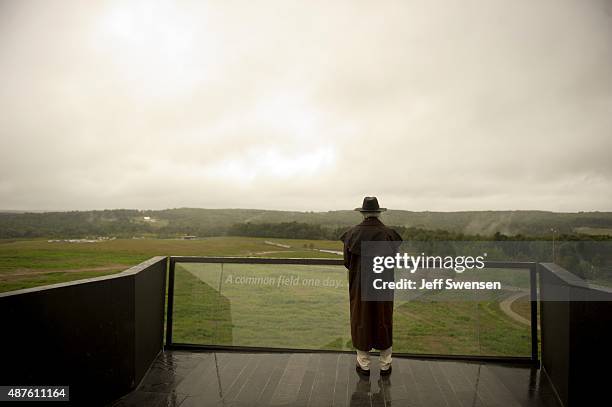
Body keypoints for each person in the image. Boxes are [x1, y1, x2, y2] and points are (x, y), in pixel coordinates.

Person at [340, 196, 403, 376]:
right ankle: (385, 364)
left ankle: (364, 365)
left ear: (363, 213)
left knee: (361, 319)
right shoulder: (389, 234)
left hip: (360, 285)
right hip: (383, 285)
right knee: (384, 319)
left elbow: (347, 263)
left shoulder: (352, 234)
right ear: (378, 212)